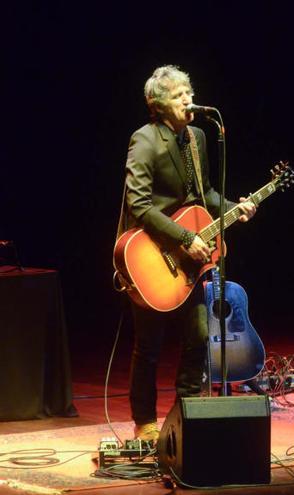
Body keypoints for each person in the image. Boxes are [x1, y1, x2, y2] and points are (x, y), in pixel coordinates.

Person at [117, 65, 257, 442]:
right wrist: (183, 237)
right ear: (157, 104)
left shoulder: (196, 137)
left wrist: (234, 206)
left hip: (191, 262)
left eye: (188, 92)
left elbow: (205, 195)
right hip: (153, 256)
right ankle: (144, 421)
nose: (188, 100)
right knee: (147, 347)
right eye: (178, 95)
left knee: (197, 338)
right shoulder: (144, 140)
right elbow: (140, 205)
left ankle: (186, 414)